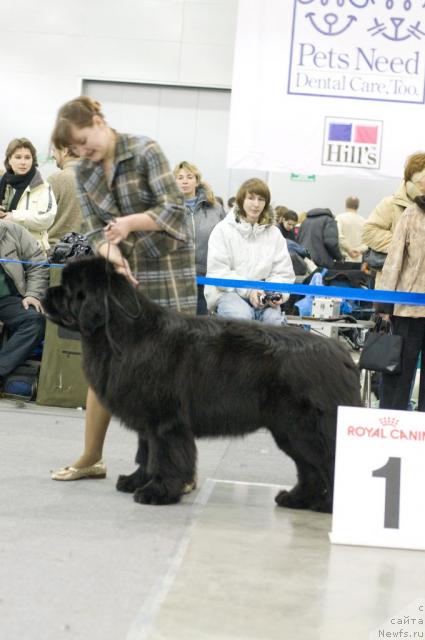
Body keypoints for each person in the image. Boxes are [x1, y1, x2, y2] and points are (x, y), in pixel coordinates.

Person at [49, 96, 197, 486]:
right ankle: (92, 457)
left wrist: (130, 223)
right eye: (76, 149)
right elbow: (97, 229)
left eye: (85, 141)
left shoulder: (145, 150)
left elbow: (175, 210)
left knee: (169, 374)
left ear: (99, 121)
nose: (83, 152)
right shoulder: (83, 172)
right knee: (104, 363)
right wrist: (111, 253)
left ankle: (178, 467)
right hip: (119, 277)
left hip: (167, 270)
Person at [205, 178, 295, 323]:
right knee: (242, 318)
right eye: (251, 198)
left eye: (261, 199)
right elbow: (219, 273)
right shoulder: (222, 230)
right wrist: (249, 291)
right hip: (228, 293)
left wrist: (275, 293)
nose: (256, 204)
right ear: (241, 200)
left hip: (263, 296)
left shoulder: (274, 234)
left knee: (275, 322)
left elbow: (283, 273)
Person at [378, 185, 425, 411]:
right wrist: (385, 303)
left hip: (411, 306)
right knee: (399, 374)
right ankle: (389, 425)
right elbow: (394, 259)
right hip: (409, 309)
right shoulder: (412, 213)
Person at [362, 152, 425, 287]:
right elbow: (369, 232)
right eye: (420, 182)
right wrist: (403, 245)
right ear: (410, 182)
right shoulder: (390, 204)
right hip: (393, 284)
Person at [173, 160, 225, 315]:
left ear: (197, 180)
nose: (185, 181)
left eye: (189, 177)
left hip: (206, 275)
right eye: (180, 177)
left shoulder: (215, 208)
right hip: (177, 275)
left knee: (200, 325)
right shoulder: (167, 207)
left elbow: (226, 238)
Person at [0, 220, 48, 384]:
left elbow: (38, 263)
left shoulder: (13, 231)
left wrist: (33, 294)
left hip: (8, 298)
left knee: (35, 320)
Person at [0, 138, 57, 251]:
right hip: (4, 252)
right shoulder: (3, 184)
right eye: (18, 157)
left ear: (33, 160)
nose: (23, 162)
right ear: (9, 160)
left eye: (27, 157)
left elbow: (47, 218)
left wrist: (13, 217)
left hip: (32, 254)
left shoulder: (43, 187)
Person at [47, 144, 83, 248]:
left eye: (54, 150)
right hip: (90, 256)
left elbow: (39, 220)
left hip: (58, 254)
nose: (53, 155)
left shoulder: (56, 179)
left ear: (65, 151)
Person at [335, 196, 366, 263]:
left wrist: (350, 250)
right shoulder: (364, 221)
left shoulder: (339, 218)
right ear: (358, 206)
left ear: (346, 205)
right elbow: (368, 242)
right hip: (359, 260)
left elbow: (339, 237)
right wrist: (358, 250)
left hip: (344, 259)